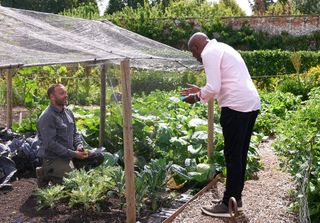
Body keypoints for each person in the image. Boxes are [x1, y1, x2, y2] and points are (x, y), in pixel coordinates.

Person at [181, 32, 260, 218]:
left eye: (193, 54)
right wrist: (201, 91)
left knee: (232, 156)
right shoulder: (223, 47)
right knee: (240, 154)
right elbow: (224, 82)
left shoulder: (208, 53)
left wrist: (196, 97)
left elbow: (214, 87)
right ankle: (235, 199)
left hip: (235, 107)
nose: (195, 58)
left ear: (196, 48)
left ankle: (227, 204)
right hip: (251, 104)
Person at [36, 84, 103, 187]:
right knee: (74, 183)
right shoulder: (47, 117)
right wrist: (74, 154)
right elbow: (50, 144)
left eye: (66, 93)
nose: (66, 95)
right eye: (62, 93)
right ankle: (46, 172)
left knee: (98, 156)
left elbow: (75, 133)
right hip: (54, 158)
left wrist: (79, 146)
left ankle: (72, 167)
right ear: (52, 97)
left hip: (71, 154)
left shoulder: (68, 112)